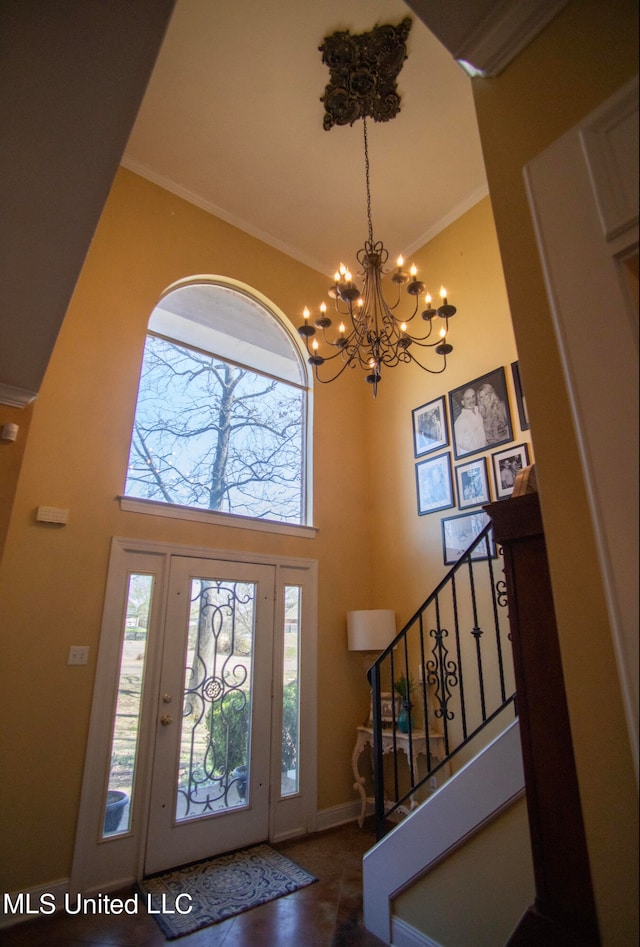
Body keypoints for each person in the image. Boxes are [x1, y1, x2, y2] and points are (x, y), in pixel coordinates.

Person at [454, 388, 486, 454]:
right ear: (463, 402)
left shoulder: (479, 410)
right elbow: (457, 447)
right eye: (468, 398)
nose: (472, 400)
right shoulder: (460, 421)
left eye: (473, 396)